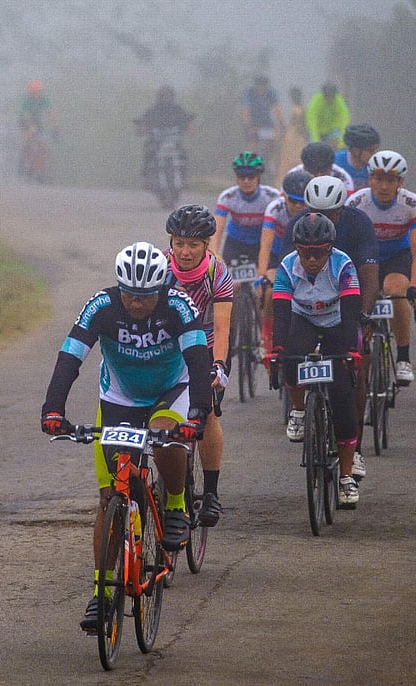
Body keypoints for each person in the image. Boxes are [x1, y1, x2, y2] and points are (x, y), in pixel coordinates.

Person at [41, 242, 211, 631]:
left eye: (146, 296)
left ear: (160, 289)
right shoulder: (101, 305)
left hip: (172, 389)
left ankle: (177, 504)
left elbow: (199, 360)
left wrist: (199, 411)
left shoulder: (178, 306)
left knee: (167, 433)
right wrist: (53, 410)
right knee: (109, 497)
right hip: (119, 397)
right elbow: (70, 355)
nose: (137, 303)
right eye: (130, 295)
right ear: (119, 288)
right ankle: (101, 594)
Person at [277, 176, 378, 478]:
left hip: (347, 298)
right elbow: (283, 271)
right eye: (317, 210)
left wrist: (364, 316)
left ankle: (354, 448)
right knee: (292, 352)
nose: (325, 217)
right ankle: (298, 409)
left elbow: (368, 272)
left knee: (353, 371)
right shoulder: (298, 225)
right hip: (306, 308)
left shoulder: (358, 224)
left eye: (332, 213)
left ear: (342, 210)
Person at [268, 212, 363, 506]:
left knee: (343, 398)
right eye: (305, 253)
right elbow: (281, 316)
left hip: (337, 322)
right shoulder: (286, 267)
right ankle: (298, 409)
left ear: (329, 249)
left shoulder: (343, 266)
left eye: (318, 253)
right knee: (291, 357)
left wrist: (351, 351)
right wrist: (277, 351)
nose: (311, 259)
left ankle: (346, 476)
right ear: (297, 249)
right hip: (304, 319)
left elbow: (351, 312)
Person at [163, 206, 233, 526]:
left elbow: (221, 328)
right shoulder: (160, 268)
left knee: (208, 414)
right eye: (179, 243)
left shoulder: (216, 273)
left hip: (205, 344)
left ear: (207, 245)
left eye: (193, 244)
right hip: (168, 344)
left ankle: (212, 492)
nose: (185, 251)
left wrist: (218, 366)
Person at [346, 151, 416, 385]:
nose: (383, 186)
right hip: (365, 257)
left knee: (395, 288)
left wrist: (414, 285)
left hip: (396, 257)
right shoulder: (357, 203)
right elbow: (347, 244)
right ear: (369, 179)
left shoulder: (411, 203)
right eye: (378, 179)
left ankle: (403, 358)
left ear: (400, 182)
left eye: (390, 180)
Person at [257, 169, 313, 356]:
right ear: (285, 197)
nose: (297, 206)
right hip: (278, 254)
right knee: (271, 290)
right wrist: (261, 277)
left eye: (302, 202)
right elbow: (265, 246)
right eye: (293, 201)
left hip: (306, 254)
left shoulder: (316, 210)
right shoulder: (275, 209)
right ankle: (266, 336)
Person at [209, 152, 282, 266]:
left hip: (261, 242)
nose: (246, 181)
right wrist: (213, 255)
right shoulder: (227, 197)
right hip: (235, 242)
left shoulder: (272, 196)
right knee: (231, 282)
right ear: (237, 177)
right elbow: (217, 229)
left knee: (265, 279)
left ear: (258, 177)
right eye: (242, 176)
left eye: (251, 176)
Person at [134, 85, 194, 187]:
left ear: (172, 96)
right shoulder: (153, 110)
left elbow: (187, 121)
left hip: (174, 141)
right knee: (148, 152)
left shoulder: (177, 110)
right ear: (159, 97)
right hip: (156, 141)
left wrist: (189, 126)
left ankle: (184, 178)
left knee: (183, 154)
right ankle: (145, 179)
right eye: (164, 96)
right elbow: (143, 123)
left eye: (168, 96)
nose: (166, 98)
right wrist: (142, 128)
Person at [239, 75, 284, 176]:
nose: (262, 90)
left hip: (266, 123)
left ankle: (269, 163)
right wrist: (248, 127)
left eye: (264, 87)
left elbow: (277, 109)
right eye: (259, 87)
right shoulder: (248, 93)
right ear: (255, 86)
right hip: (252, 123)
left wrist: (281, 123)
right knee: (252, 146)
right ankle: (249, 167)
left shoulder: (271, 93)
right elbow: (245, 111)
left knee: (272, 143)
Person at [18, 80, 56, 182]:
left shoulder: (44, 99)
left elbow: (50, 113)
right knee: (27, 142)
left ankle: (43, 169)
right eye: (34, 92)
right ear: (30, 92)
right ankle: (22, 164)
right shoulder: (26, 101)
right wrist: (30, 127)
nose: (36, 94)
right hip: (26, 123)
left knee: (43, 145)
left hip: (39, 124)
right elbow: (26, 115)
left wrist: (54, 127)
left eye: (38, 92)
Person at [284, 141, 354, 193]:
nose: (318, 176)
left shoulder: (343, 179)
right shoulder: (292, 177)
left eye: (323, 172)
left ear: (331, 167)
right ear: (304, 167)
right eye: (312, 172)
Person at [275, 86, 308, 189]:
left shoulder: (297, 110)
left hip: (294, 137)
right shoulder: (302, 108)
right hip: (295, 137)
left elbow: (298, 125)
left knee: (291, 160)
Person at [304, 82, 350, 149]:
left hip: (332, 129)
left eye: (332, 97)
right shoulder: (316, 102)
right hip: (317, 129)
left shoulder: (339, 101)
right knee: (313, 148)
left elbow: (344, 119)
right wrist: (315, 140)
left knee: (337, 143)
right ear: (323, 95)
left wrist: (342, 141)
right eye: (328, 97)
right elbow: (312, 121)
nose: (330, 99)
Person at [335, 124, 380, 190]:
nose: (375, 154)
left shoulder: (377, 166)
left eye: (376, 149)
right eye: (370, 150)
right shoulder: (335, 163)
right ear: (355, 150)